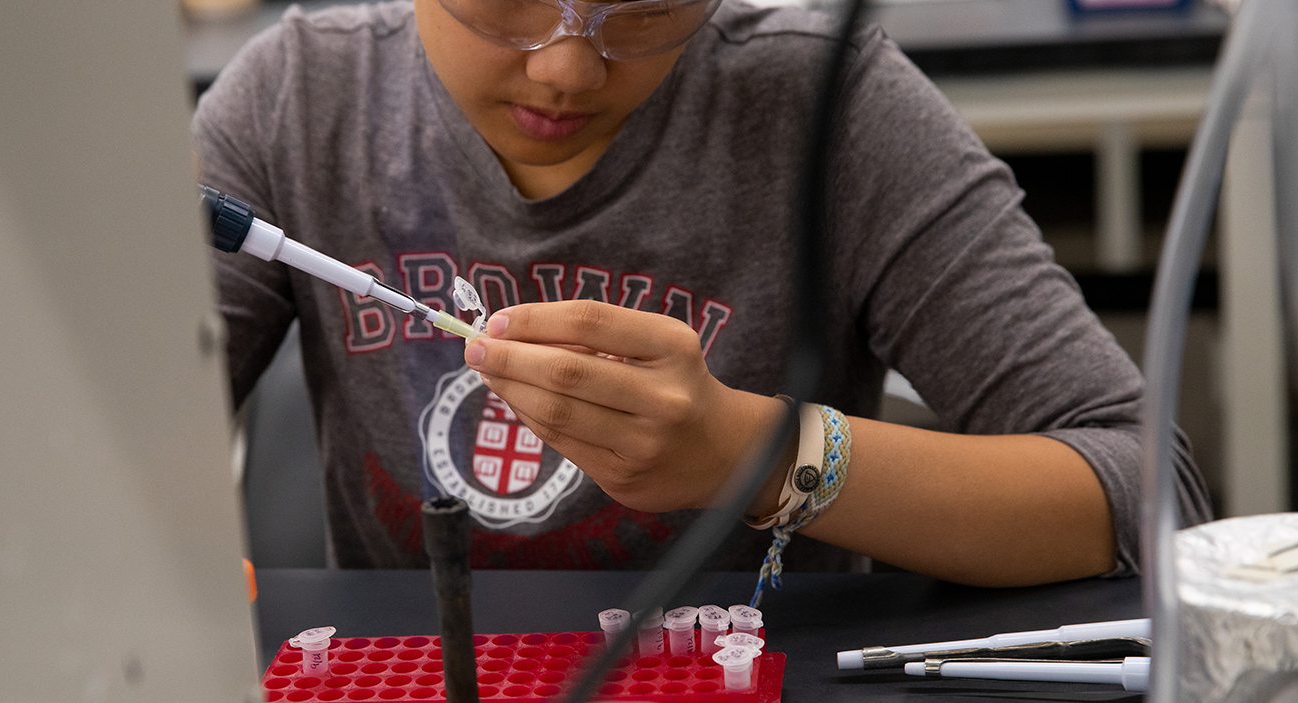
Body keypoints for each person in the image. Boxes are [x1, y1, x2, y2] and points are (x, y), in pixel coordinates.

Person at [193, 0, 1211, 585]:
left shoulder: (827, 105)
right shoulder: (295, 102)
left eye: (643, 9)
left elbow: (1142, 488)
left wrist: (756, 456)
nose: (565, 67)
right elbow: (85, 458)